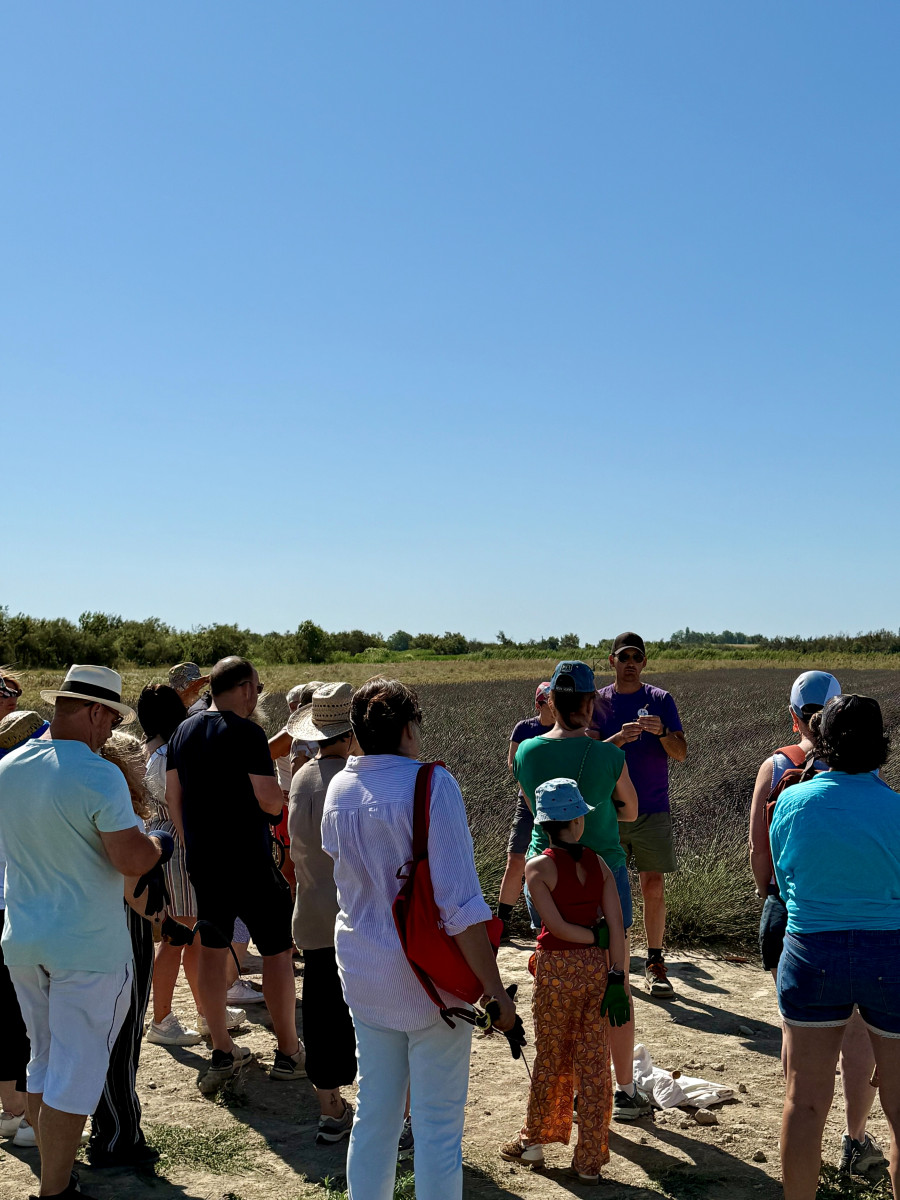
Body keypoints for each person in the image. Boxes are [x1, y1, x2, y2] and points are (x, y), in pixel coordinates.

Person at [322, 676, 516, 1200]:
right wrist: (495, 991)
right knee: (437, 1129)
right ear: (409, 728)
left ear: (357, 731)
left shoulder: (340, 787)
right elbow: (459, 906)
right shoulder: (432, 784)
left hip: (363, 970)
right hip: (430, 981)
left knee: (374, 1116)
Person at [0, 665, 169, 1200]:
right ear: (97, 712)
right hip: (88, 945)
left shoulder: (8, 766)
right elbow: (131, 860)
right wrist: (159, 843)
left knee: (42, 1059)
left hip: (24, 938)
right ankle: (54, 1191)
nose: (109, 731)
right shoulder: (98, 774)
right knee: (76, 1072)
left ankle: (54, 1175)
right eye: (111, 720)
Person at [748, 671, 883, 1176]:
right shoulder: (866, 773)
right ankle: (855, 1139)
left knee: (797, 1033)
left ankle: (804, 1141)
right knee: (857, 1037)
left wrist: (771, 895)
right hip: (862, 917)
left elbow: (760, 850)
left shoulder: (777, 767)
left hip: (793, 913)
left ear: (794, 717)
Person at [770, 694, 900, 1200]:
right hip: (889, 951)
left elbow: (784, 880)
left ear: (822, 741)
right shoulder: (895, 808)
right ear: (880, 745)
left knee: (804, 1101)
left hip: (812, 950)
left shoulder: (792, 802)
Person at [515, 660, 648, 1123]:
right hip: (602, 872)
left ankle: (568, 1090)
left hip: (546, 873)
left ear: (551, 702)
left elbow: (537, 808)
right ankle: (624, 1090)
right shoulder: (609, 756)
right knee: (614, 980)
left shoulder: (526, 752)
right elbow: (630, 811)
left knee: (559, 978)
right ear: (591, 704)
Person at [166, 655, 304, 1091]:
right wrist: (279, 805)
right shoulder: (247, 732)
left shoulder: (182, 731)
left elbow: (173, 796)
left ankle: (222, 1050)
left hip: (204, 861)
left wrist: (190, 841)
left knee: (211, 950)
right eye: (257, 689)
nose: (256, 697)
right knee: (277, 952)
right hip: (249, 859)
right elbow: (268, 798)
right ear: (244, 688)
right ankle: (289, 1051)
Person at [501, 778, 628, 1182]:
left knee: (552, 1056)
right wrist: (616, 974)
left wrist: (590, 936)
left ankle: (533, 1142)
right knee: (594, 1063)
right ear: (578, 821)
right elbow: (617, 927)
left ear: (544, 823)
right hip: (596, 971)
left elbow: (555, 927)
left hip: (556, 971)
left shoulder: (537, 868)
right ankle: (589, 1161)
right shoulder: (599, 864)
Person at [590, 633, 687, 998]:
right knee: (606, 888)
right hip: (608, 810)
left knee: (653, 885)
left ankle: (655, 962)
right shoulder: (599, 702)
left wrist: (662, 732)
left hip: (652, 809)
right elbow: (589, 753)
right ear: (611, 661)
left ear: (644, 662)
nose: (630, 663)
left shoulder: (660, 700)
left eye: (636, 657)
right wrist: (618, 738)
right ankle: (609, 960)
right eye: (624, 657)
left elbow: (680, 752)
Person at [287, 683, 359, 1144]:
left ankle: (329, 1108)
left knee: (318, 1013)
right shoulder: (353, 779)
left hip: (310, 912)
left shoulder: (301, 777)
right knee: (363, 1015)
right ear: (350, 734)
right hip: (353, 915)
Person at [89, 732, 163, 1168]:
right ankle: (118, 1135)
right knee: (123, 1029)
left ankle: (106, 1126)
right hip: (125, 926)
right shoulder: (122, 813)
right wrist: (164, 922)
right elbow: (132, 887)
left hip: (91, 922)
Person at [138, 685, 204, 1047]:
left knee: (190, 934)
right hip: (178, 843)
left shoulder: (151, 751)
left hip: (165, 839)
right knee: (177, 934)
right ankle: (161, 1019)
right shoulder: (167, 754)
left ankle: (205, 1010)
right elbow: (179, 802)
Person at [0, 711, 48, 1148]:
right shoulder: (29, 783)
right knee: (30, 1015)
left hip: (9, 905)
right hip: (19, 906)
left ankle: (12, 1109)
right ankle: (28, 1116)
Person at [495, 682, 553, 936]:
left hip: (558, 804)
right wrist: (531, 797)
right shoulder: (524, 728)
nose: (551, 706)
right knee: (516, 859)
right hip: (527, 801)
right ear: (538, 705)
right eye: (546, 702)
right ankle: (502, 922)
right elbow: (513, 766)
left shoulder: (567, 729)